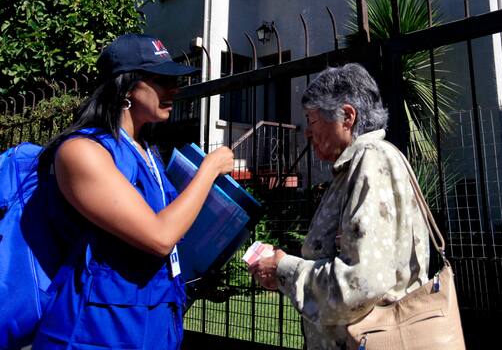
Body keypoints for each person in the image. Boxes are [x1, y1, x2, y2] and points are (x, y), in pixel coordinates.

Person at [32, 33, 234, 349]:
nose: (174, 89)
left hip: (156, 325)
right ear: (126, 87)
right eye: (162, 80)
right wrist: (208, 170)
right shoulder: (81, 151)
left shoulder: (148, 152)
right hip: (97, 332)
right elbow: (158, 236)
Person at [250, 63, 430, 350]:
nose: (307, 132)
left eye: (312, 119)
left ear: (347, 116)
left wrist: (284, 268)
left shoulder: (371, 160)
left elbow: (360, 283)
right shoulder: (356, 166)